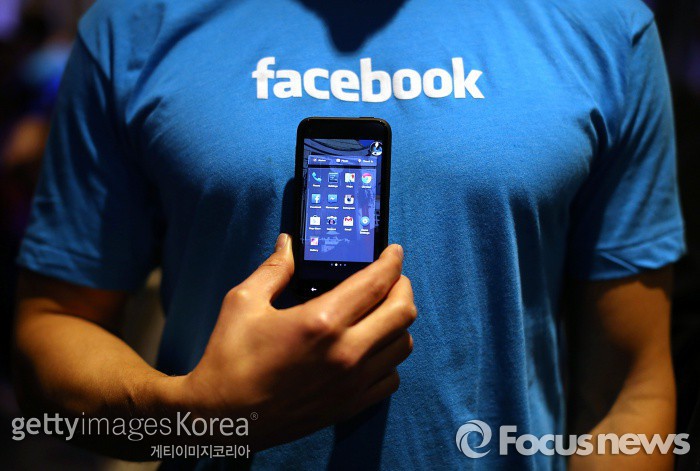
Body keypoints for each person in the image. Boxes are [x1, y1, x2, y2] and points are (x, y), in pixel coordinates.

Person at [12, 0, 685, 469]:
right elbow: (51, 327)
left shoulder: (603, 25)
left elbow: (631, 387)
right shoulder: (134, 24)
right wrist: (197, 416)